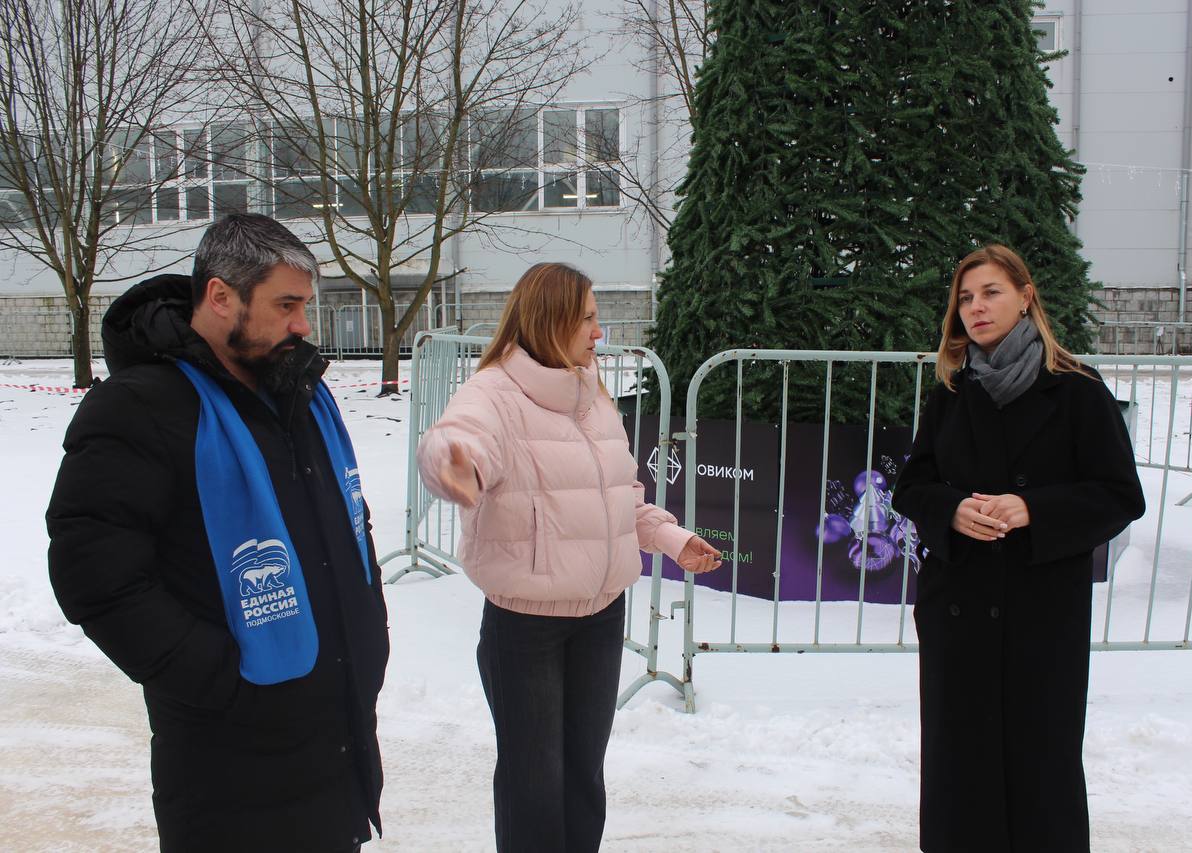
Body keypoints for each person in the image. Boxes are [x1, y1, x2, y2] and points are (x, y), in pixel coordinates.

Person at [46, 214, 389, 853]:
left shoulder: (300, 397)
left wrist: (368, 626)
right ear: (220, 296)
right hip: (228, 771)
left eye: (305, 306)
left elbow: (348, 524)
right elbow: (94, 574)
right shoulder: (141, 408)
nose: (303, 326)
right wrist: (216, 680)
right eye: (286, 305)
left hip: (334, 747)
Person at [416, 262, 721, 853]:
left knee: (584, 775)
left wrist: (669, 537)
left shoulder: (593, 397)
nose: (598, 333)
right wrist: (452, 464)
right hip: (525, 627)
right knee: (534, 780)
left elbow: (619, 498)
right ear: (550, 320)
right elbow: (457, 440)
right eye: (587, 318)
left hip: (601, 617)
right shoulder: (493, 395)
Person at [892, 244, 1145, 852]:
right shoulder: (952, 388)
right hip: (960, 609)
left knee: (1043, 766)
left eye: (991, 292)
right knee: (960, 769)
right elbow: (912, 487)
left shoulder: (1078, 390)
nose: (975, 307)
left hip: (1041, 613)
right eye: (965, 297)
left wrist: (1035, 508)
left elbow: (1120, 495)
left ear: (1026, 295)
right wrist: (951, 509)